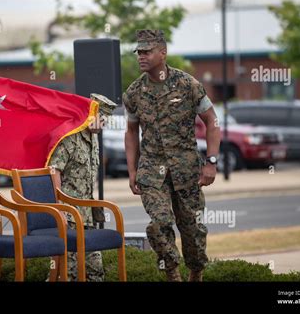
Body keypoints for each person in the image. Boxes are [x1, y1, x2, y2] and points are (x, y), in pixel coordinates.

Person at [123, 29, 221, 282]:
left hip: (186, 170)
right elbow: (131, 131)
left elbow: (212, 121)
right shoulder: (134, 93)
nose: (141, 56)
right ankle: (171, 272)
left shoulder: (188, 85)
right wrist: (132, 171)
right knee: (159, 223)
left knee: (193, 230)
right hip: (151, 170)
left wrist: (211, 162)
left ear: (162, 53)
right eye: (139, 52)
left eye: (147, 51)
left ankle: (196, 272)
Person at [49, 93, 117, 282]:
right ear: (91, 114)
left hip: (87, 215)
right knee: (68, 272)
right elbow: (54, 170)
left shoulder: (93, 138)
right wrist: (59, 208)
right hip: (69, 215)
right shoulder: (70, 137)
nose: (103, 124)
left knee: (95, 271)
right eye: (101, 118)